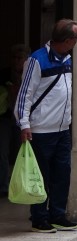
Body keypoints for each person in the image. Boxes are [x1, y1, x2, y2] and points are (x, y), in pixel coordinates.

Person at [14, 19, 77, 233]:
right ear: (68, 40)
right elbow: (25, 95)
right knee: (41, 175)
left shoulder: (67, 59)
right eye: (76, 38)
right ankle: (39, 217)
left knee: (63, 173)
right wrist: (24, 124)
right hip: (41, 130)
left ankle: (58, 214)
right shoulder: (37, 60)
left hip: (62, 129)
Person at [1, 44, 26, 176]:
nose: (16, 60)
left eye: (19, 58)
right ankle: (4, 186)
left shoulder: (30, 74)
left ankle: (20, 182)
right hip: (6, 117)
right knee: (2, 151)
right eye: (14, 57)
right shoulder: (4, 74)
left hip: (24, 119)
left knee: (21, 151)